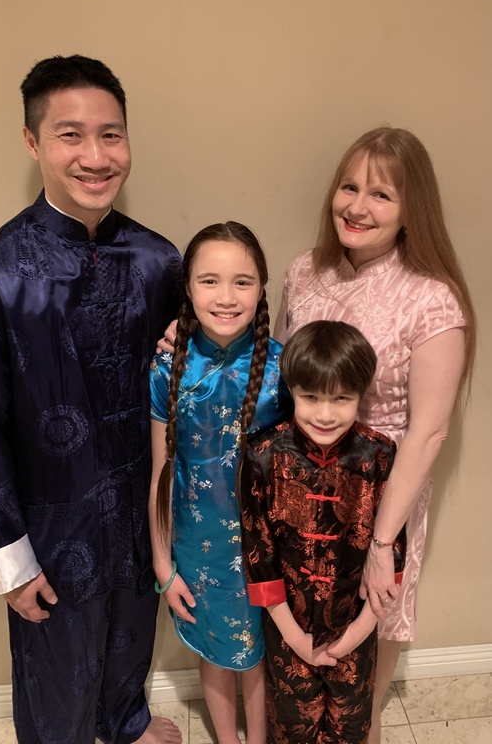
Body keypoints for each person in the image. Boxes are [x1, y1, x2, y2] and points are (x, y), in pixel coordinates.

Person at [0, 55, 183, 744]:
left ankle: (126, 722)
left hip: (141, 512)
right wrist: (10, 564)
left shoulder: (161, 263)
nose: (96, 156)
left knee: (131, 639)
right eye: (71, 135)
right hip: (52, 528)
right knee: (54, 675)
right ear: (33, 142)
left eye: (111, 135)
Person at [273, 126, 476, 742]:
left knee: (363, 661)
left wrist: (383, 542)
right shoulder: (304, 272)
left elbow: (429, 431)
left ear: (412, 210)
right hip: (297, 484)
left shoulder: (432, 300)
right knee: (297, 645)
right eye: (349, 187)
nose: (357, 207)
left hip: (380, 496)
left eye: (381, 194)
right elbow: (277, 370)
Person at [149, 222, 291, 744]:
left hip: (267, 546)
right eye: (209, 281)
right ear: (188, 288)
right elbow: (160, 473)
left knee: (258, 651)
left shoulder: (283, 368)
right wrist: (162, 564)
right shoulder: (168, 367)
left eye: (242, 282)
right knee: (216, 652)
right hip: (198, 548)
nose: (226, 297)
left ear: (262, 288)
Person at [240, 320, 406, 744]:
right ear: (292, 390)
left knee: (350, 728)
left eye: (342, 398)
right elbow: (258, 555)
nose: (326, 414)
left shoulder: (380, 456)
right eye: (311, 397)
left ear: (361, 394)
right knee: (291, 727)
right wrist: (294, 637)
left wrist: (356, 634)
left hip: (356, 626)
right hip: (287, 628)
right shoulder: (262, 455)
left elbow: (393, 554)